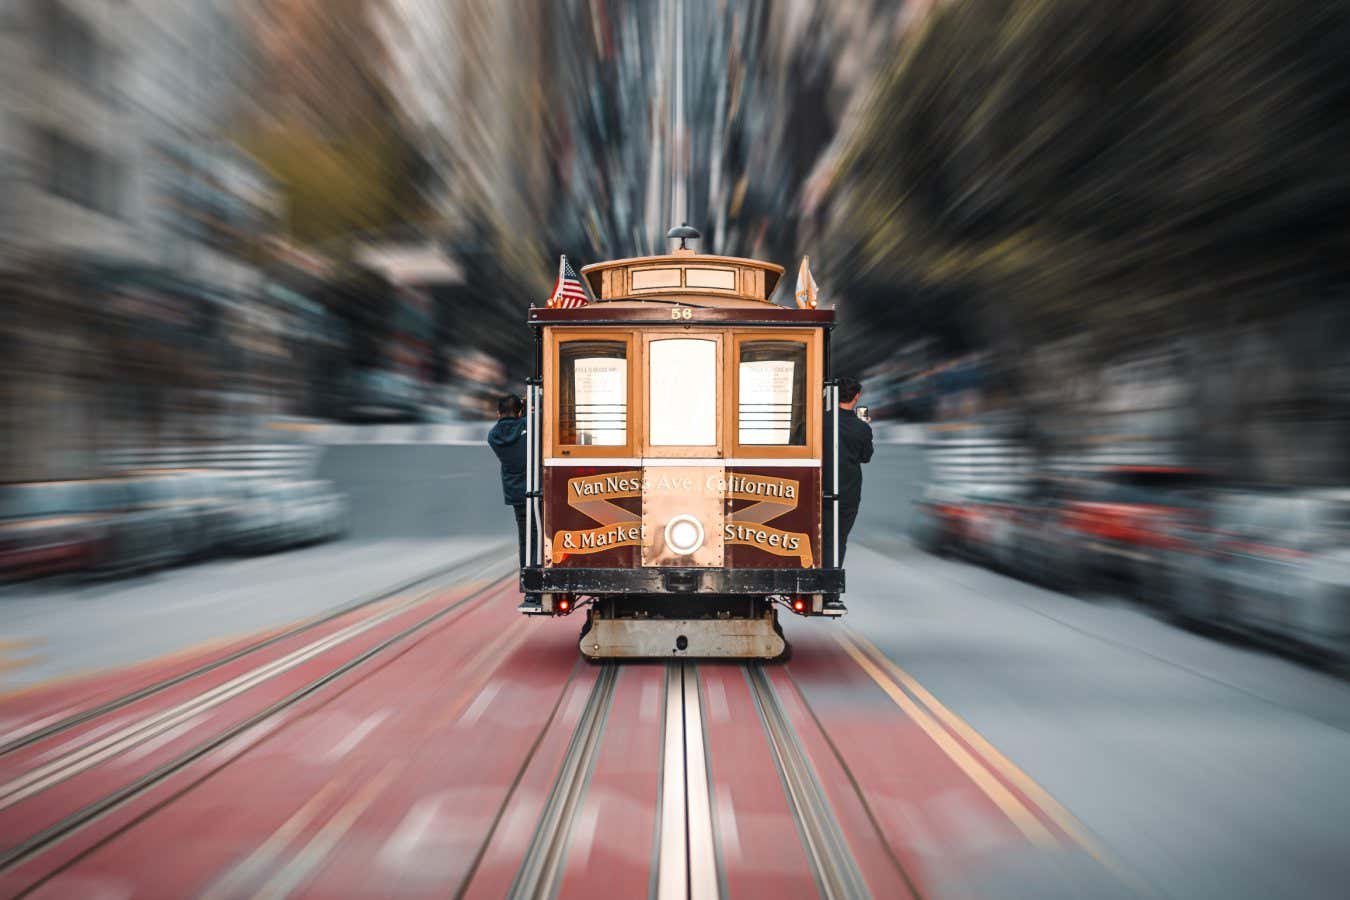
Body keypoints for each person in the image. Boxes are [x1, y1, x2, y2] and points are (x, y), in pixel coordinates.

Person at [836, 375, 873, 565]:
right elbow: (866, 457)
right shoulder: (862, 428)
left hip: (820, 489)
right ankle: (832, 576)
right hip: (847, 493)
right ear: (856, 397)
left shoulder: (819, 422)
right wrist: (864, 426)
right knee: (839, 539)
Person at [488, 394, 528, 565]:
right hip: (536, 489)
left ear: (498, 413)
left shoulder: (492, 436)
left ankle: (526, 574)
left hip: (515, 492)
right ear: (519, 412)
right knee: (539, 533)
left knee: (524, 537)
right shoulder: (527, 425)